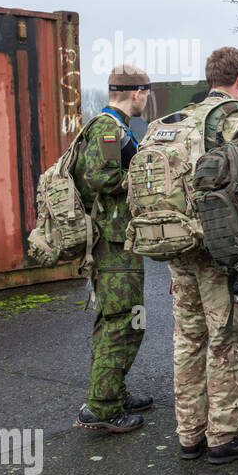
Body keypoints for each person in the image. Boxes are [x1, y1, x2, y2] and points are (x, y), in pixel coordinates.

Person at [167, 47, 238, 463]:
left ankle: (190, 433)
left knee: (189, 338)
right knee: (230, 338)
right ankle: (224, 436)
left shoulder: (176, 120)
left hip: (176, 245)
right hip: (220, 249)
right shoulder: (237, 120)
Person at [73, 65, 153, 433]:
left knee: (117, 318)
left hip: (118, 238)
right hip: (112, 241)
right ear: (137, 93)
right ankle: (102, 408)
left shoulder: (115, 125)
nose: (146, 99)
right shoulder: (108, 128)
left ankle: (112, 391)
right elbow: (100, 177)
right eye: (146, 93)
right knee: (122, 321)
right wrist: (143, 179)